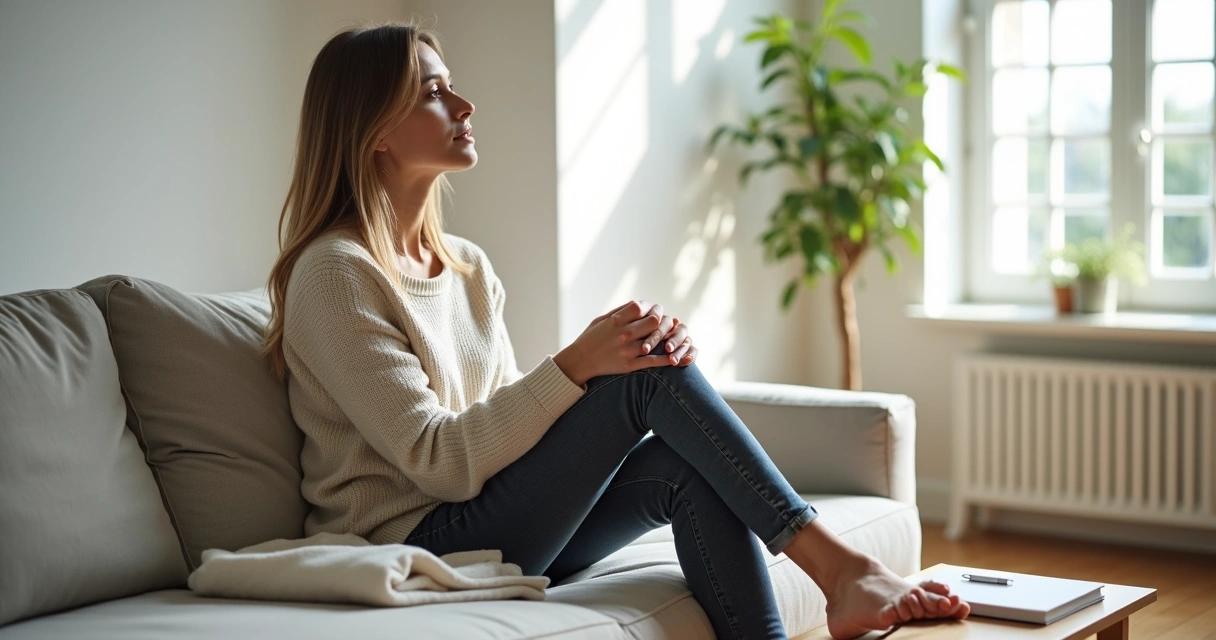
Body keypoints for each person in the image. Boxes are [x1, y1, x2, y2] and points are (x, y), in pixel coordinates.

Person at [261, 21, 969, 640]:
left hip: (489, 520)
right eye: (432, 91)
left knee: (683, 463)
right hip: (417, 540)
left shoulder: (467, 266)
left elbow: (500, 437)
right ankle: (842, 571)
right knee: (642, 374)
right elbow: (439, 461)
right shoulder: (334, 273)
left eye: (452, 86)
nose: (465, 104)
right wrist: (580, 365)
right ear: (374, 131)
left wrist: (602, 363)